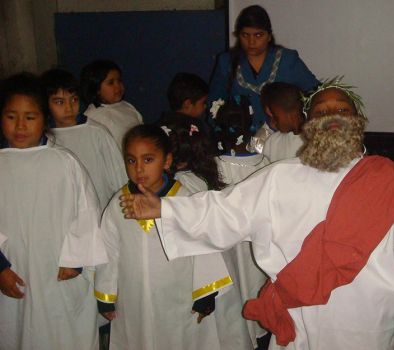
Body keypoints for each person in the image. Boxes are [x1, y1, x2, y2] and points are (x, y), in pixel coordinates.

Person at [120, 79, 394, 350]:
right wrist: (163, 206)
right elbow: (221, 211)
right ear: (308, 124)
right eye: (321, 111)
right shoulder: (278, 178)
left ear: (358, 121)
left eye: (341, 110)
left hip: (365, 320)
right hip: (300, 316)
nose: (331, 116)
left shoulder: (384, 180)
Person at [94, 124, 252, 350]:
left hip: (179, 298)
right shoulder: (119, 204)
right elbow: (109, 249)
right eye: (131, 160)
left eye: (148, 160)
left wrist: (205, 293)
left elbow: (203, 247)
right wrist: (106, 295)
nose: (139, 169)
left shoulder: (184, 200)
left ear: (167, 161)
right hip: (133, 299)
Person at [0, 73, 107, 350]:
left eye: (30, 117)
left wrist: (77, 259)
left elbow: (87, 212)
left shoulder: (64, 163)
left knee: (62, 335)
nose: (20, 126)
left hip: (60, 271)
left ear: (44, 119)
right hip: (12, 273)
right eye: (12, 117)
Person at [208, 5, 318, 142]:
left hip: (285, 139)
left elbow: (315, 93)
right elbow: (214, 104)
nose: (251, 42)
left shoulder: (287, 60)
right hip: (240, 141)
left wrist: (300, 122)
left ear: (269, 36)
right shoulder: (226, 62)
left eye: (258, 35)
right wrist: (223, 133)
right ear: (238, 36)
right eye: (245, 35)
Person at [212, 100, 270, 348]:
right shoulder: (265, 163)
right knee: (252, 282)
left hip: (230, 246)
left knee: (237, 291)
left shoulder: (213, 166)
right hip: (254, 245)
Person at [41, 68, 127, 208]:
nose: (69, 108)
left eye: (73, 100)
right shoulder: (45, 139)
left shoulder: (96, 133)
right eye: (59, 102)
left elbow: (119, 178)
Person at [81, 60, 143, 149]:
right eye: (111, 83)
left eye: (119, 81)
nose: (118, 86)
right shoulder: (92, 116)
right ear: (97, 88)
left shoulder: (127, 106)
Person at [260, 82, 305, 162]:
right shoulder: (272, 143)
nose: (272, 122)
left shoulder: (316, 140)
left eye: (275, 117)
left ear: (292, 115)